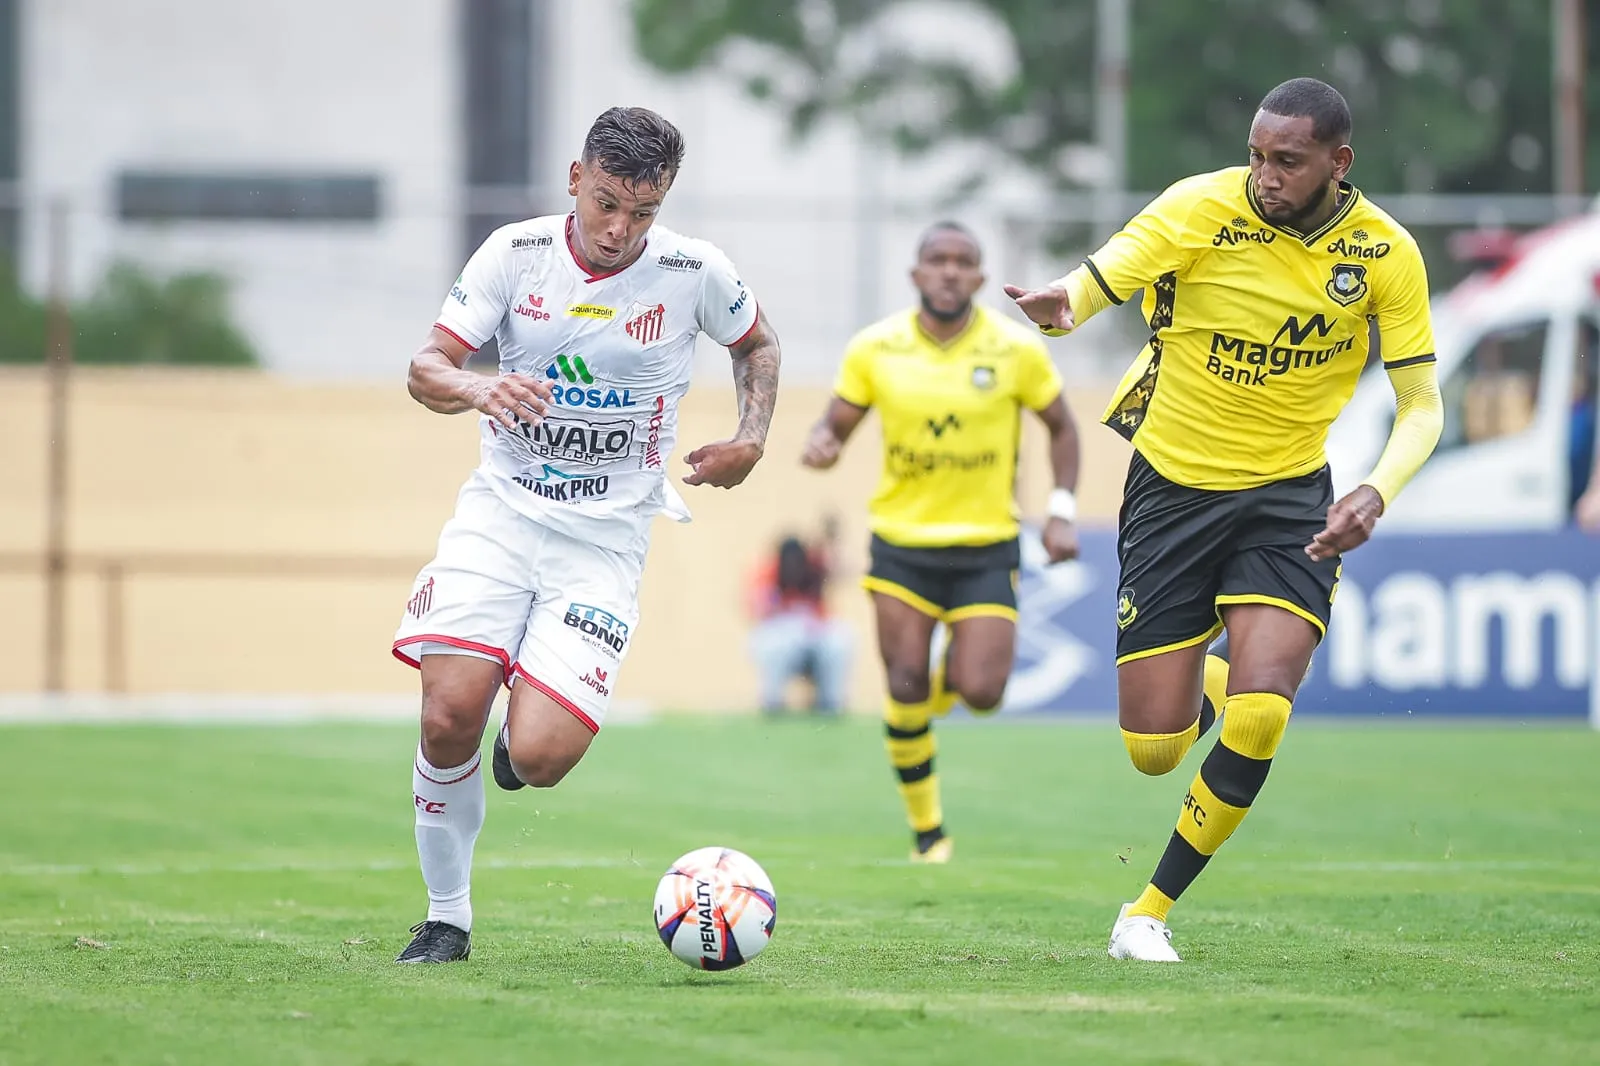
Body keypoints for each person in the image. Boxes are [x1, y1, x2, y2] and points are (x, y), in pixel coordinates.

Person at [1004, 77, 1443, 961]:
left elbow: (1422, 402)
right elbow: (1105, 273)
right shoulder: (1199, 207)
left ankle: (1147, 912)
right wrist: (1063, 304)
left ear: (1338, 162)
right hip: (1173, 489)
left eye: (1288, 161)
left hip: (1289, 500)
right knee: (1154, 750)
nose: (1265, 175)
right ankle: (1209, 676)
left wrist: (1375, 490)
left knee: (1261, 714)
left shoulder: (1385, 254)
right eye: (1257, 155)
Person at [390, 106, 782, 963]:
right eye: (606, 203)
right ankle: (446, 917)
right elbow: (426, 368)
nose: (618, 229)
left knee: (539, 757)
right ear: (576, 179)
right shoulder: (514, 253)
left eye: (642, 212)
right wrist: (478, 388)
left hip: (603, 542)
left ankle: (514, 743)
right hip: (501, 516)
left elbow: (757, 343)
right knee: (448, 714)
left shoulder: (693, 270)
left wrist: (751, 438)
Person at [801, 221, 1082, 863]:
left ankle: (950, 671)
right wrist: (823, 443)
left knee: (982, 693)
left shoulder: (1016, 349)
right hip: (902, 545)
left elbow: (1063, 427)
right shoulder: (876, 348)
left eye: (963, 261)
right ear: (916, 274)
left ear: (980, 277)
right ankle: (927, 831)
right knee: (905, 685)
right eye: (938, 260)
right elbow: (835, 424)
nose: (950, 270)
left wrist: (1061, 510)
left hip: (986, 545)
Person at [745, 518, 853, 715]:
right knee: (767, 643)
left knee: (841, 639)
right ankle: (772, 702)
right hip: (781, 636)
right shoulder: (770, 574)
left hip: (815, 634)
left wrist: (832, 541)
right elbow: (756, 608)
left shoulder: (814, 568)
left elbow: (844, 570)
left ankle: (830, 702)